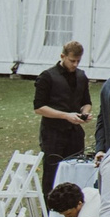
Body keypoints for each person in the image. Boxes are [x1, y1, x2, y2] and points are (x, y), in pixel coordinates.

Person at [34, 41, 93, 190]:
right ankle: (49, 210)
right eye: (72, 60)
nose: (75, 64)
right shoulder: (47, 76)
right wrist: (65, 116)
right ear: (63, 56)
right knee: (52, 175)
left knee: (75, 172)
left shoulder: (81, 76)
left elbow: (86, 102)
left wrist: (84, 113)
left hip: (74, 133)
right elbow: (39, 107)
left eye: (78, 61)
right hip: (53, 133)